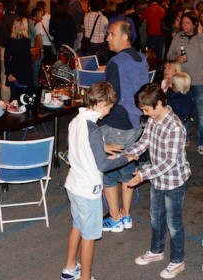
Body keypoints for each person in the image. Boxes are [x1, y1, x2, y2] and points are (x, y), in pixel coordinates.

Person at [60, 82, 133, 280]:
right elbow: (102, 165)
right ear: (100, 103)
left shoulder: (77, 120)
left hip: (73, 184)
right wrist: (126, 158)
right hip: (87, 190)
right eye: (109, 107)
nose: (109, 112)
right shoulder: (93, 128)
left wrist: (103, 146)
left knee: (77, 225)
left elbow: (82, 146)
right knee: (89, 236)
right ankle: (85, 277)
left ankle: (69, 268)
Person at [126, 83, 191, 279]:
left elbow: (169, 163)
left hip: (174, 181)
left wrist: (143, 175)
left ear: (160, 103)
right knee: (156, 217)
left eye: (146, 109)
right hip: (158, 179)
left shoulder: (175, 126)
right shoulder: (154, 119)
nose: (144, 114)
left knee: (173, 222)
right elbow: (144, 142)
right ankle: (156, 250)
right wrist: (127, 155)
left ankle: (178, 260)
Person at [100, 20, 149, 233]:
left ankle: (114, 217)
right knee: (127, 168)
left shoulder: (117, 62)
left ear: (124, 37)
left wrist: (97, 119)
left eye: (111, 34)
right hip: (136, 122)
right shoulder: (142, 58)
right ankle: (126, 215)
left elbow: (110, 96)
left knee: (109, 171)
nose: (107, 38)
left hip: (117, 123)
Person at [166, 12, 203, 155]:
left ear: (194, 24)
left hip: (198, 80)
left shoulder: (201, 37)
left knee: (200, 113)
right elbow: (169, 56)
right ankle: (184, 136)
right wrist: (176, 59)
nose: (184, 26)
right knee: (181, 111)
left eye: (187, 23)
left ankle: (201, 143)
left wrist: (200, 35)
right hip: (181, 80)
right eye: (183, 23)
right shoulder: (178, 38)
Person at [3, 16, 33, 102]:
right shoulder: (26, 41)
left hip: (13, 71)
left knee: (14, 97)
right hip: (24, 73)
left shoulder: (9, 40)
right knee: (25, 98)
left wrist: (8, 73)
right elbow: (26, 60)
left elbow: (6, 58)